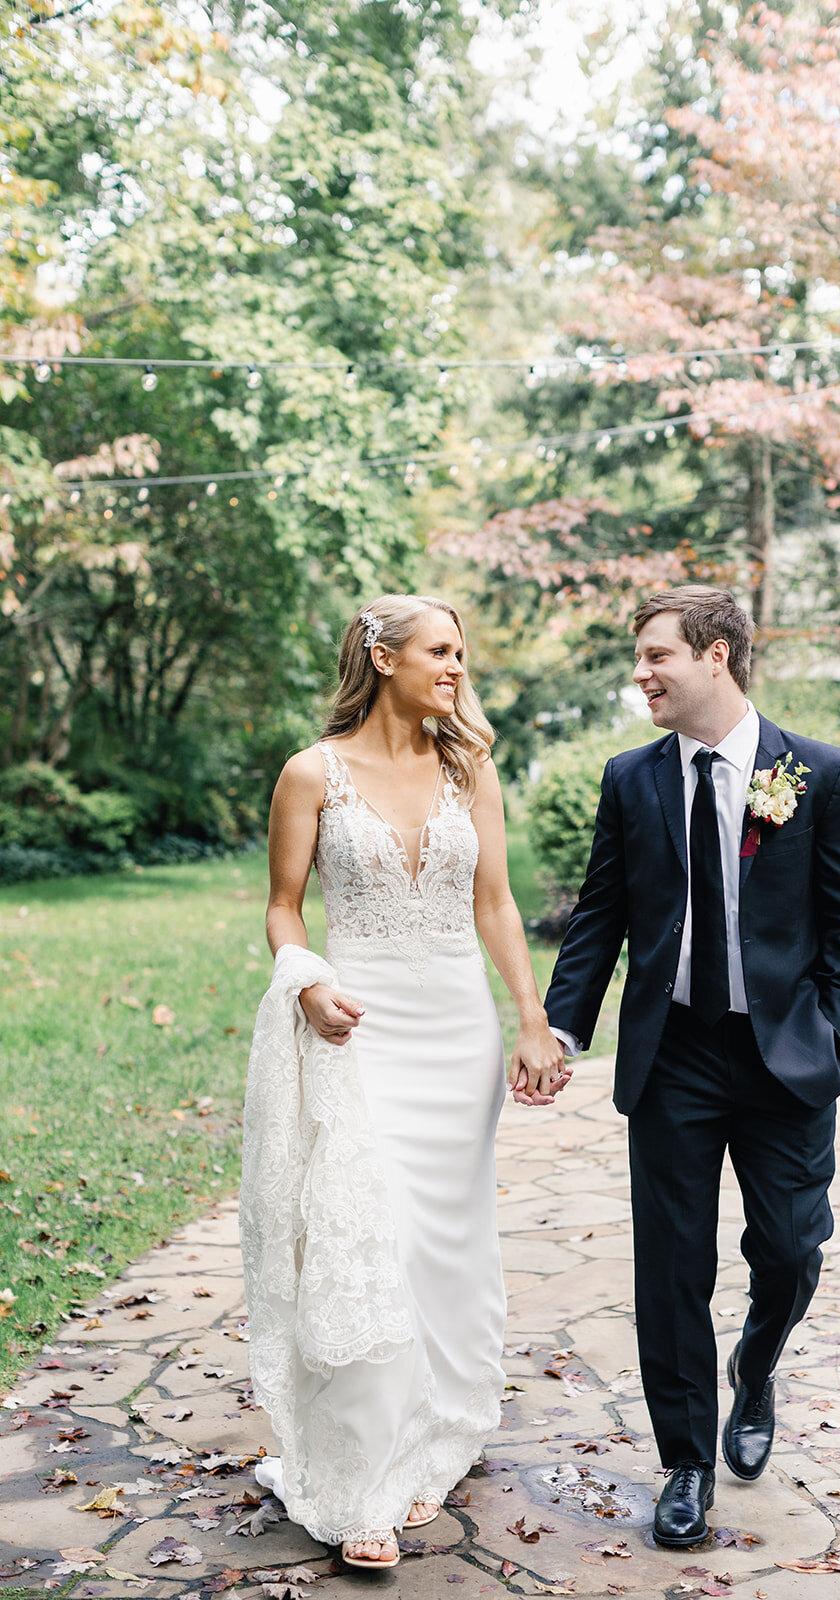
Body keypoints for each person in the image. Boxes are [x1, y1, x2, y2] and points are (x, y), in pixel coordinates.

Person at [524, 585, 840, 1549]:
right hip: (673, 1051)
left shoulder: (818, 773)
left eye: (655, 656)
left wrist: (833, 1028)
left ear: (714, 655)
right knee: (671, 1268)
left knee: (793, 1250)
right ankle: (684, 1462)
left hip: (783, 1059)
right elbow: (599, 916)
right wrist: (561, 1031)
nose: (640, 674)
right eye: (640, 658)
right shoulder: (630, 779)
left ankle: (755, 1368)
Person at [239, 594, 567, 1569]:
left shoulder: (469, 766)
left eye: (460, 651)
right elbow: (283, 908)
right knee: (369, 1237)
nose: (456, 667)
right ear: (381, 656)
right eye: (439, 651)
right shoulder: (311, 773)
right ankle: (362, 1480)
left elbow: (498, 903)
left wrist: (532, 1016)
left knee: (446, 1238)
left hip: (455, 1027)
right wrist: (308, 985)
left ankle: (437, 1429)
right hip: (363, 1022)